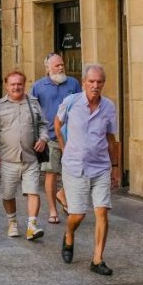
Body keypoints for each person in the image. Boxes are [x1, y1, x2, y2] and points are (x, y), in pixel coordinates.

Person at [55, 63, 120, 276]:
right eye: (91, 82)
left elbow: (111, 139)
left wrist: (116, 167)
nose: (95, 86)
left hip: (100, 166)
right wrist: (65, 148)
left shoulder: (109, 107)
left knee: (102, 211)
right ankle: (68, 234)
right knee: (78, 215)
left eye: (99, 82)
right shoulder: (71, 102)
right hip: (74, 166)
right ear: (84, 83)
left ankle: (97, 258)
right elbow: (57, 123)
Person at [0, 70, 50, 241]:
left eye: (19, 84)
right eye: (13, 84)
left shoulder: (33, 103)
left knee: (33, 191)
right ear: (6, 85)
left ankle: (32, 225)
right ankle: (12, 221)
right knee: (7, 195)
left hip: (31, 158)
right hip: (8, 159)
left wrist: (43, 139)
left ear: (24, 84)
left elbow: (44, 125)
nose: (16, 87)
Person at [31, 53, 82, 224]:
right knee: (51, 174)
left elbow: (81, 107)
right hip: (50, 136)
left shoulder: (73, 84)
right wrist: (37, 135)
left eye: (62, 64)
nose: (61, 67)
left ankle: (63, 195)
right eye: (57, 65)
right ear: (48, 68)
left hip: (72, 137)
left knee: (76, 172)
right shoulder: (38, 87)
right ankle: (53, 210)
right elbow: (33, 112)